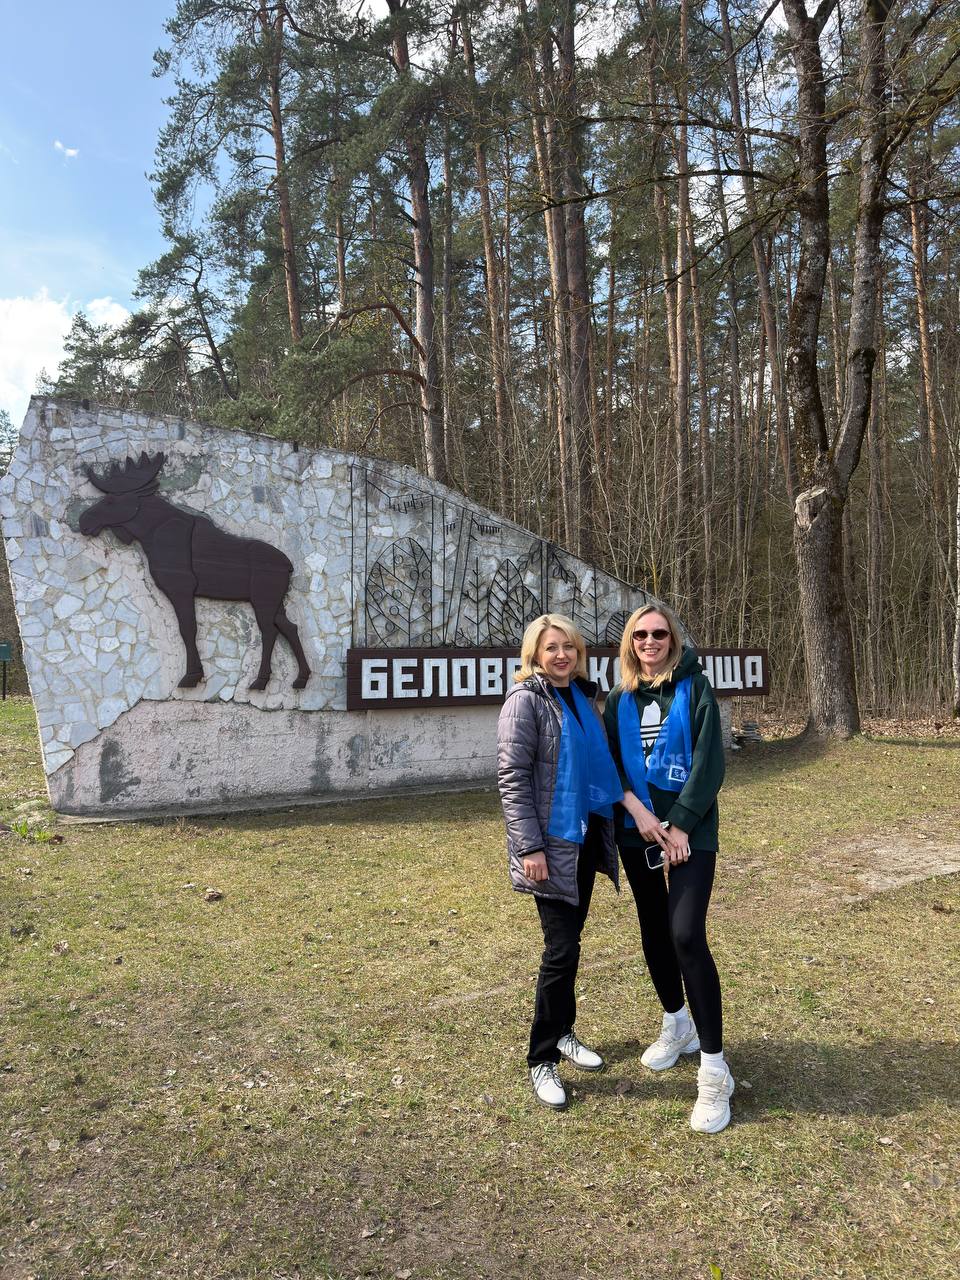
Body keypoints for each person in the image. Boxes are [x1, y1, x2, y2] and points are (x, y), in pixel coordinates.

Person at [603, 602, 733, 1133]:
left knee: (685, 934)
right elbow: (610, 765)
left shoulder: (695, 689)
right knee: (654, 932)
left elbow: (710, 762)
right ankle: (676, 1023)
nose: (650, 642)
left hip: (689, 833)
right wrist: (638, 812)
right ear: (630, 644)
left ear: (672, 640)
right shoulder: (618, 701)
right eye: (640, 636)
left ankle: (714, 1071)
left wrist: (679, 824)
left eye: (658, 634)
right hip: (639, 832)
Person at [496, 613, 623, 1110]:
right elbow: (512, 778)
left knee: (571, 946)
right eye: (551, 648)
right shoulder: (524, 702)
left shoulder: (584, 698)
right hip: (550, 846)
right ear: (534, 655)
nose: (561, 655)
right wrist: (529, 848)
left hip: (585, 838)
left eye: (568, 646)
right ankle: (541, 1058)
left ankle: (565, 1031)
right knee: (560, 950)